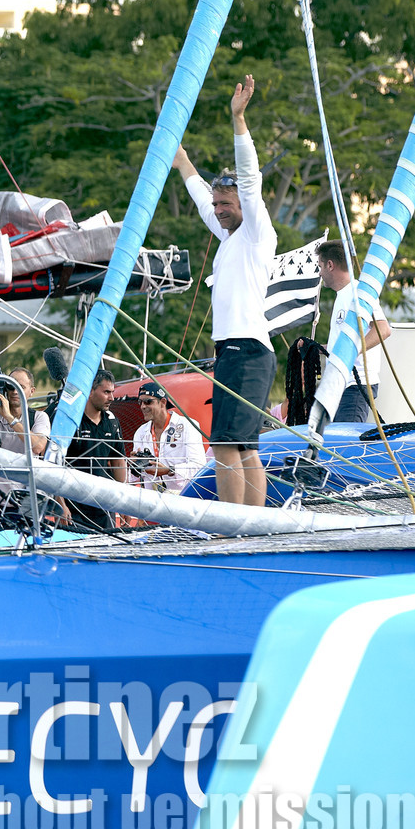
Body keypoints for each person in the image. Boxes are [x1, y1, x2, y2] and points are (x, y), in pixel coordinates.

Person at [173, 74, 277, 506]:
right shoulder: (229, 235)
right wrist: (180, 161)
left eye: (226, 205)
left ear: (243, 207)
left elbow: (249, 179)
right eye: (217, 206)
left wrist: (238, 120)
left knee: (226, 445)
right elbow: (201, 198)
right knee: (244, 444)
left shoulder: (255, 231)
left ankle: (234, 527)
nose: (218, 211)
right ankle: (255, 525)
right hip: (241, 351)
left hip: (246, 349)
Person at [316, 241, 391, 423]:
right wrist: (318, 348)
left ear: (330, 265)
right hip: (340, 385)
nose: (320, 273)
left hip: (356, 386)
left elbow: (383, 328)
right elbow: (344, 343)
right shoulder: (342, 296)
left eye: (320, 266)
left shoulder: (358, 291)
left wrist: (350, 352)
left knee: (346, 446)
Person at [63, 369, 127, 531]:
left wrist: (125, 502)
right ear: (90, 391)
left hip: (104, 504)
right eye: (106, 392)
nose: (112, 398)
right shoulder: (70, 421)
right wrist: (60, 504)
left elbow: (118, 461)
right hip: (73, 505)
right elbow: (55, 463)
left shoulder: (112, 421)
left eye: (112, 392)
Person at [129, 382, 206, 494]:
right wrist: (134, 467)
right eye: (140, 402)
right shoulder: (140, 432)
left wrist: (169, 470)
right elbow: (133, 479)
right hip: (152, 500)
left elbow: (199, 467)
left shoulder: (188, 425)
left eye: (148, 402)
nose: (143, 406)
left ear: (163, 402)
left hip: (185, 497)